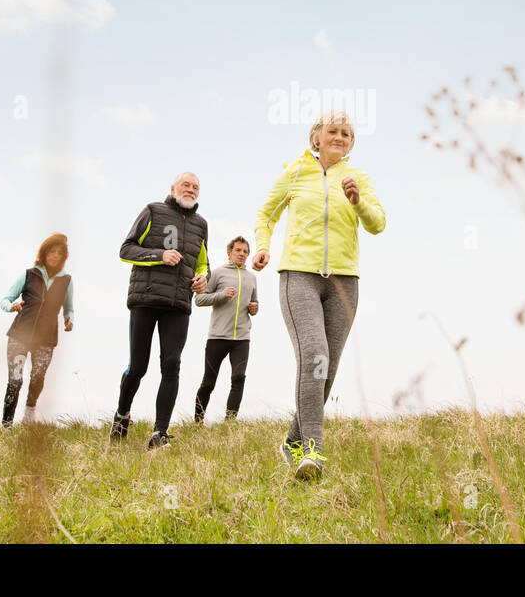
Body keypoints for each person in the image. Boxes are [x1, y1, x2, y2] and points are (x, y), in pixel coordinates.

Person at [253, 112, 385, 481]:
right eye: (333, 131)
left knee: (329, 367)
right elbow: (265, 214)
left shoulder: (358, 178)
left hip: (344, 281)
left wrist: (357, 202)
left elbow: (378, 224)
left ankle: (293, 439)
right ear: (316, 136)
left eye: (347, 133)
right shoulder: (294, 173)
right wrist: (263, 246)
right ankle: (311, 453)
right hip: (299, 276)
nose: (340, 137)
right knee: (315, 354)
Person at [110, 172, 210, 449]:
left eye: (195, 187)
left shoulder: (201, 224)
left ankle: (159, 433)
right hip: (145, 299)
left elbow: (203, 263)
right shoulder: (153, 210)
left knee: (171, 364)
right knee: (138, 366)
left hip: (178, 304)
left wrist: (203, 279)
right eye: (186, 185)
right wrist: (158, 256)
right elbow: (125, 249)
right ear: (173, 188)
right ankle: (121, 416)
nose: (190, 190)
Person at [0, 233, 75, 427]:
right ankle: (6, 424)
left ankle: (29, 412)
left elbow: (69, 308)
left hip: (46, 338)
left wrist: (69, 319)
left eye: (60, 253)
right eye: (52, 251)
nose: (55, 255)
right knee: (15, 380)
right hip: (20, 335)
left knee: (38, 377)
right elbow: (5, 299)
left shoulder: (66, 281)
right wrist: (11, 306)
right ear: (44, 252)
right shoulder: (28, 274)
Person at [192, 236, 259, 424]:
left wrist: (254, 308)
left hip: (242, 338)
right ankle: (197, 421)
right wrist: (222, 295)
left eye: (245, 251)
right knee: (208, 383)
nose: (242, 254)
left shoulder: (252, 278)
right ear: (229, 253)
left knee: (239, 378)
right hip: (217, 337)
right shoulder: (217, 274)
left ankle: (229, 422)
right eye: (238, 250)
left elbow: (254, 303)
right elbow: (199, 300)